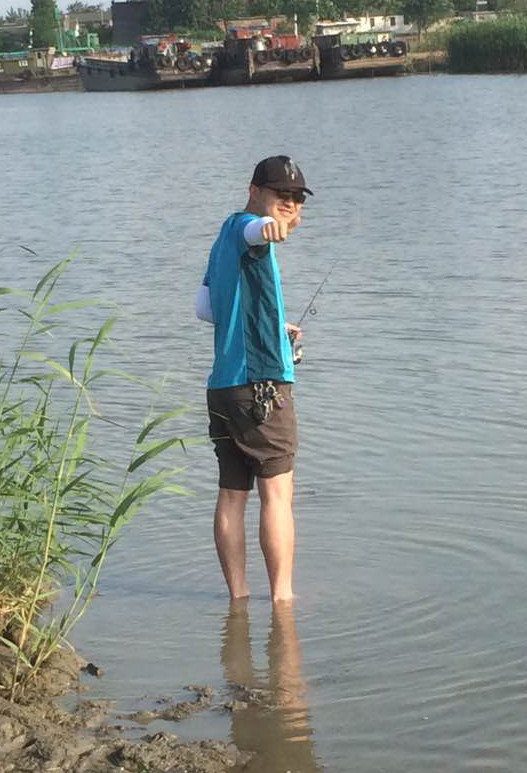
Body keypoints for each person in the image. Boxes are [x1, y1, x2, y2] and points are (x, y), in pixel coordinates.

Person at [196, 155, 313, 603]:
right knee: (277, 495)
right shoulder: (249, 228)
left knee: (231, 494)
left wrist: (272, 325)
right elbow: (257, 230)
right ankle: (283, 603)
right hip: (262, 386)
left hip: (223, 388)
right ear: (254, 190)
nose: (290, 204)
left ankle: (239, 601)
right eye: (281, 194)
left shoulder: (222, 237)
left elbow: (205, 309)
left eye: (297, 198)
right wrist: (270, 229)